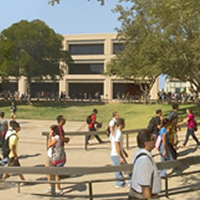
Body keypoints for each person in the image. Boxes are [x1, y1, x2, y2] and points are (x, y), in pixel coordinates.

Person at [128, 129, 161, 200]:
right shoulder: (144, 160)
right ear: (146, 143)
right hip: (142, 197)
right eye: (152, 139)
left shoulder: (139, 153)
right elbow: (144, 186)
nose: (155, 140)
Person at [110, 118, 131, 188]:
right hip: (116, 155)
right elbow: (116, 144)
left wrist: (124, 152)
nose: (125, 124)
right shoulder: (118, 133)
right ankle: (130, 182)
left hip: (113, 154)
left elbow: (119, 144)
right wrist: (120, 157)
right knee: (127, 168)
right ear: (121, 124)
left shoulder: (115, 132)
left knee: (117, 170)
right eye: (124, 123)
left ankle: (119, 183)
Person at [45, 125, 66, 195]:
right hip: (51, 156)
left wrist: (49, 137)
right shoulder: (55, 137)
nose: (50, 132)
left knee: (55, 173)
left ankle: (58, 189)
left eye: (51, 130)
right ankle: (50, 186)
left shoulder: (56, 138)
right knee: (47, 169)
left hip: (55, 158)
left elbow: (49, 145)